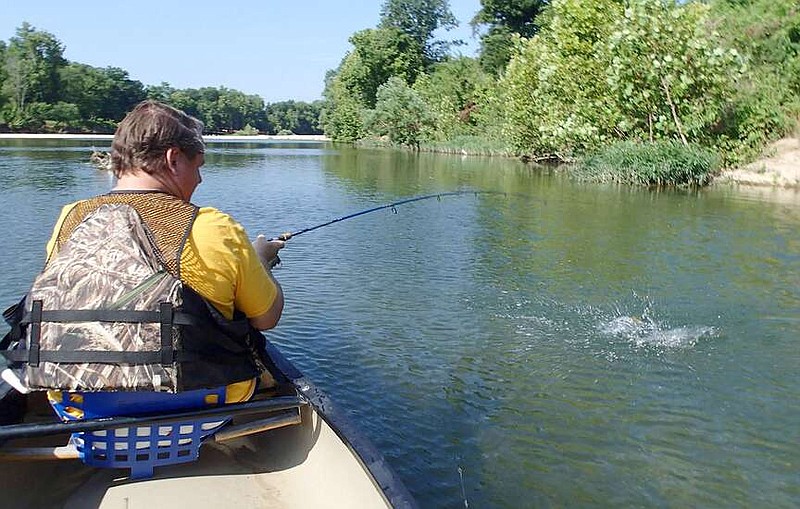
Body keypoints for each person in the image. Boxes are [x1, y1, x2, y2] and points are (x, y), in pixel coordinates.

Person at [1, 99, 284, 406]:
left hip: (78, 402)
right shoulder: (212, 226)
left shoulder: (71, 217)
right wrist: (261, 259)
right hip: (201, 399)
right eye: (198, 166)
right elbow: (266, 318)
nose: (200, 180)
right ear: (173, 159)